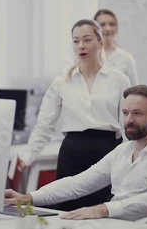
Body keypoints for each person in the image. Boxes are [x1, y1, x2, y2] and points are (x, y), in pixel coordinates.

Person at [7, 85, 147, 224]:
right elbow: (77, 184)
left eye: (137, 113)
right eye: (125, 113)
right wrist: (29, 198)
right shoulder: (122, 151)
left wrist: (102, 210)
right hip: (110, 225)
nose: (129, 120)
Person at [17, 19, 132, 211]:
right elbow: (44, 125)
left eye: (87, 40)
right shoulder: (61, 82)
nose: (81, 46)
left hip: (107, 152)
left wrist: (130, 160)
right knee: (68, 212)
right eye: (76, 41)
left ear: (100, 43)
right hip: (72, 153)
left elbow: (128, 125)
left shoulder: (119, 79)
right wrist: (29, 155)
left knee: (103, 212)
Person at [94, 9, 139, 86]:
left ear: (117, 28)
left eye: (112, 24)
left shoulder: (126, 58)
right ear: (94, 30)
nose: (108, 29)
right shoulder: (89, 56)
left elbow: (135, 90)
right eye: (102, 24)